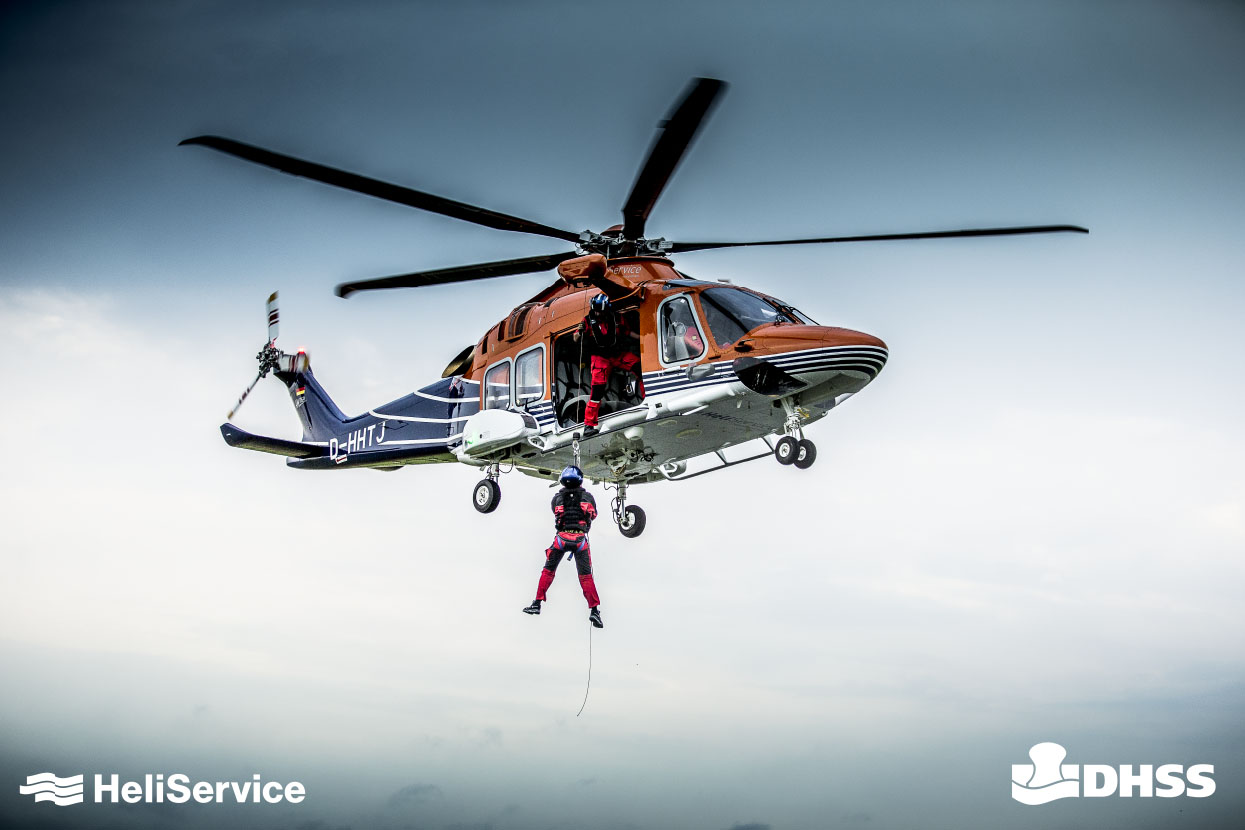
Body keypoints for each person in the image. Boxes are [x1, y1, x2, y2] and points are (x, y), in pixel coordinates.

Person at [523, 465, 603, 628]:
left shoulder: (557, 499)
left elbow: (555, 512)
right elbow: (593, 514)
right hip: (580, 541)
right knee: (586, 577)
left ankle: (537, 603)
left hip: (561, 539)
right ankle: (594, 610)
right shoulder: (588, 498)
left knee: (548, 571)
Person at [576, 294, 641, 435]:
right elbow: (576, 338)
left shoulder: (617, 318)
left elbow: (628, 332)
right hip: (600, 359)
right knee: (597, 391)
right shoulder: (587, 320)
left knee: (639, 367)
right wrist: (579, 331)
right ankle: (589, 425)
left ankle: (645, 401)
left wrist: (643, 338)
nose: (597, 313)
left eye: (600, 311)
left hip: (618, 354)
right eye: (595, 310)